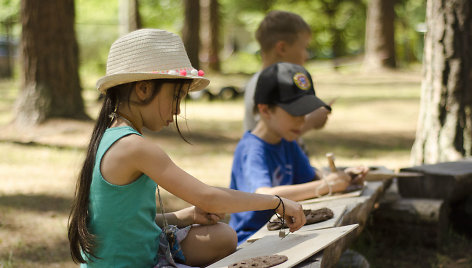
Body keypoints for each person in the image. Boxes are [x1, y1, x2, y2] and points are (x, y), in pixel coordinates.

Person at [67, 29, 306, 268]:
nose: (177, 110)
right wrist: (277, 201)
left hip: (128, 256)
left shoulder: (109, 136)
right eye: (175, 97)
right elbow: (210, 198)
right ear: (143, 89)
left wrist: (186, 216)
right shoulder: (134, 147)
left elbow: (128, 222)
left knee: (224, 236)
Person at [229, 62, 368, 244]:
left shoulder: (287, 140)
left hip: (285, 234)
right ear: (265, 110)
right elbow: (263, 194)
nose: (302, 122)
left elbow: (311, 176)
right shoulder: (252, 148)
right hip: (252, 240)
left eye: (305, 113)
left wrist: (343, 177)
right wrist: (328, 185)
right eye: (295, 114)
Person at [243, 10, 333, 140]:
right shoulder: (261, 85)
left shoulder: (283, 81)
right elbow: (270, 133)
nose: (306, 55)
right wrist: (312, 121)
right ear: (282, 48)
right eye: (304, 47)